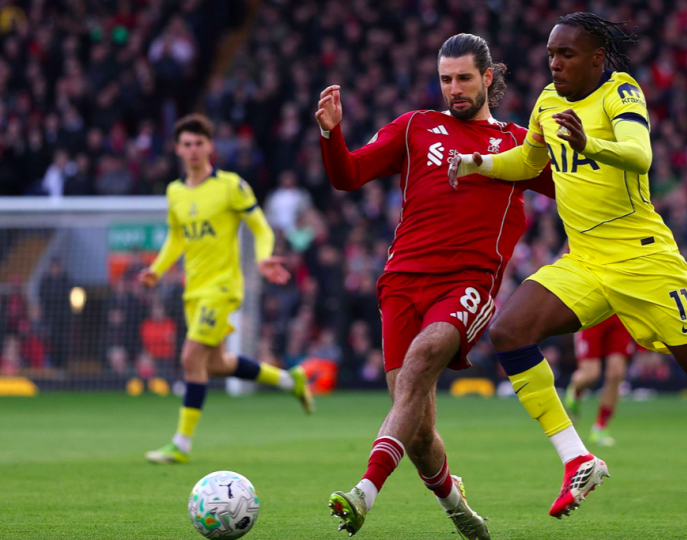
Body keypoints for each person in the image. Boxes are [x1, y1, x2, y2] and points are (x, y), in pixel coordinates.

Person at [450, 13, 687, 539]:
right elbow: (528, 160)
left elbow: (640, 155)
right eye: (550, 54)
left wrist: (590, 145)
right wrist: (479, 163)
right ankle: (577, 459)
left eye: (566, 54)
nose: (555, 63)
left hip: (645, 261)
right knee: (509, 330)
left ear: (597, 58)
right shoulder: (546, 101)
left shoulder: (621, 92)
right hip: (585, 260)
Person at [315, 34, 553, 539]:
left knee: (423, 359)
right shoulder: (415, 127)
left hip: (468, 283)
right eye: (446, 79)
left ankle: (364, 491)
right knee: (418, 428)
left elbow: (574, 191)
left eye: (464, 78)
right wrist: (331, 135)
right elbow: (348, 175)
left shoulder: (518, 145)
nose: (454, 89)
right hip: (401, 281)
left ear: (488, 77)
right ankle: (455, 504)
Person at [141, 114, 312, 465]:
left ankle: (181, 444)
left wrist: (263, 258)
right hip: (194, 289)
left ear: (210, 147)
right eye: (186, 144)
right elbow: (176, 238)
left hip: (222, 287)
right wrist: (156, 270)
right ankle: (289, 381)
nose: (193, 149)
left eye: (199, 143)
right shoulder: (174, 192)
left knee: (190, 358)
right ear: (177, 149)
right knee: (216, 364)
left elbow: (260, 227)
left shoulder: (231, 185)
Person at [565, 315, 634, 446]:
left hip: (618, 316)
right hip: (592, 315)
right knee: (590, 375)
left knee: (616, 374)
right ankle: (575, 390)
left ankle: (600, 427)